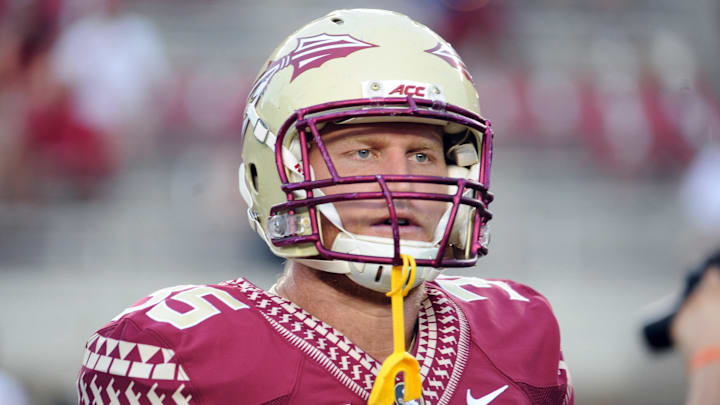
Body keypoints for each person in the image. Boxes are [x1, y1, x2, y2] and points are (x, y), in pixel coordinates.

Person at [77, 9, 573, 404]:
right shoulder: (173, 354)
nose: (401, 180)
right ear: (281, 172)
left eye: (422, 155)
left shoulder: (521, 332)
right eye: (364, 152)